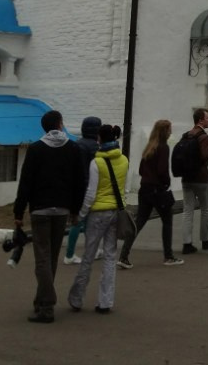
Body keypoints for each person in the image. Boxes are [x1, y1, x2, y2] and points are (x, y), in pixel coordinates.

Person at [14, 110, 86, 324]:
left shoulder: (36, 149)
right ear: (60, 124)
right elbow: (80, 182)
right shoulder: (73, 148)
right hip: (62, 210)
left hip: (40, 210)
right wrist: (75, 210)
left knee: (42, 259)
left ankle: (46, 304)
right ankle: (42, 301)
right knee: (51, 257)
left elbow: (25, 183)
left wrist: (18, 212)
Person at [68, 122, 129, 314]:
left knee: (88, 256)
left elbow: (91, 193)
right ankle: (105, 301)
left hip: (98, 213)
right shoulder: (124, 160)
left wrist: (81, 213)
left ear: (99, 139)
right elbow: (123, 188)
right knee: (110, 256)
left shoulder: (97, 163)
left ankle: (77, 298)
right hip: (116, 212)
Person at [117, 119, 183, 269]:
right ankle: (168, 256)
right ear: (165, 131)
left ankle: (124, 255)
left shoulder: (149, 147)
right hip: (158, 190)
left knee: (139, 222)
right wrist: (166, 183)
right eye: (170, 129)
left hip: (145, 189)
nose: (171, 131)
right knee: (167, 221)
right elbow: (162, 170)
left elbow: (141, 170)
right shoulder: (163, 147)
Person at [180, 108, 208, 254]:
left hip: (186, 178)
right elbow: (204, 156)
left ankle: (187, 243)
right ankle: (206, 240)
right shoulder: (203, 137)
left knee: (187, 211)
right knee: (205, 208)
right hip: (201, 178)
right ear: (200, 120)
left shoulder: (186, 135)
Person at [63, 115, 101, 265]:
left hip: (76, 188)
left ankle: (77, 252)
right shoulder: (95, 147)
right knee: (85, 222)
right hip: (89, 187)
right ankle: (71, 254)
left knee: (80, 221)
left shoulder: (76, 144)